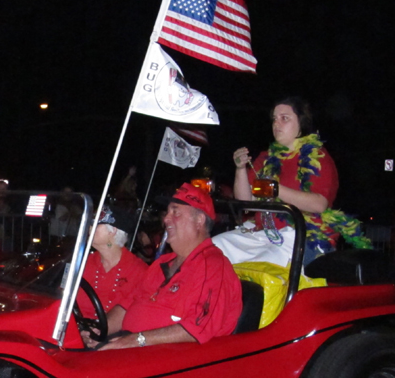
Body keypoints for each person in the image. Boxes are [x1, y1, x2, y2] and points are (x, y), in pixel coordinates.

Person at [214, 97, 369, 267]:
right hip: (263, 234)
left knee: (261, 264)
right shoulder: (265, 158)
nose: (276, 124)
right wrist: (240, 169)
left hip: (301, 236)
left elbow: (319, 204)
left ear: (301, 123)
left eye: (284, 118)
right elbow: (246, 202)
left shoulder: (317, 156)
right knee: (214, 249)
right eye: (274, 119)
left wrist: (275, 189)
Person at [92, 183, 242, 350]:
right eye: (168, 212)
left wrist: (133, 341)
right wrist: (98, 332)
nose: (166, 219)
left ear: (199, 220)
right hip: (134, 348)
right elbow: (128, 305)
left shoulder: (214, 266)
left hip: (173, 361)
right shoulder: (162, 263)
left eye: (175, 212)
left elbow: (199, 327)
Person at [77, 205, 147, 318]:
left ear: (113, 231)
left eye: (94, 225)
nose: (89, 229)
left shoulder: (140, 271)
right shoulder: (80, 263)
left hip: (114, 334)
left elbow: (136, 315)